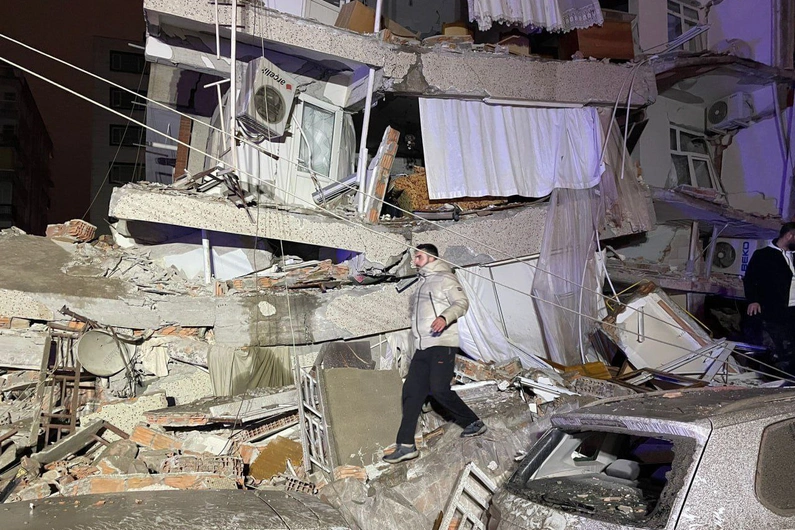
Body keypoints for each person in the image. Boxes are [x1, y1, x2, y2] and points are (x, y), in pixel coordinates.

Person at [383, 244, 486, 464]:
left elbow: (462, 303)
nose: (415, 261)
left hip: (442, 344)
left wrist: (445, 317)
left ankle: (473, 422)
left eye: (419, 257)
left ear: (430, 258)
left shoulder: (444, 278)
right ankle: (406, 446)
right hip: (423, 347)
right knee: (410, 392)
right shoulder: (421, 283)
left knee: (439, 389)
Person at [743, 222, 795, 374]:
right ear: (789, 236)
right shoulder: (763, 255)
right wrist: (753, 299)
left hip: (793, 310)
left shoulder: (793, 256)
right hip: (775, 309)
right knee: (777, 347)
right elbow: (750, 278)